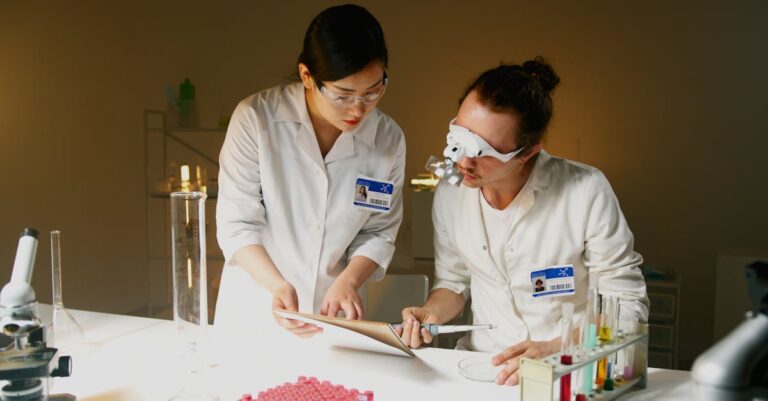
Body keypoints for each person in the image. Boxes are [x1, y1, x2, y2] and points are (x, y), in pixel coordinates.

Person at [396, 58, 648, 385]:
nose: (463, 161)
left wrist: (557, 349)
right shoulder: (450, 193)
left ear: (526, 153)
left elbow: (627, 306)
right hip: (482, 367)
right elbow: (454, 282)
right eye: (459, 137)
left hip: (566, 371)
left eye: (483, 152)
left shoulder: (585, 191)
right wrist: (432, 312)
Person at [215, 4, 405, 338]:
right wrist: (276, 285)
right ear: (307, 76)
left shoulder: (388, 139)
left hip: (335, 313)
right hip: (257, 307)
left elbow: (379, 232)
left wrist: (348, 281)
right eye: (343, 95)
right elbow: (237, 224)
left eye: (373, 91)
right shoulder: (256, 120)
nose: (359, 109)